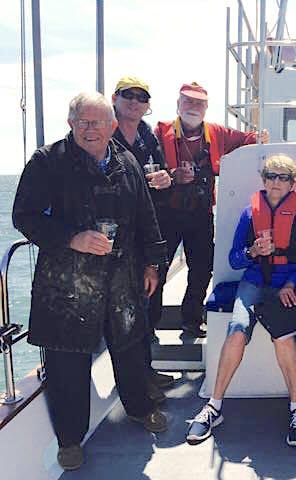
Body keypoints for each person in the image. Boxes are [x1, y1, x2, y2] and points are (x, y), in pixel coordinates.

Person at [12, 92, 168, 471]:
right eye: (82, 121)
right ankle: (70, 440)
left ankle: (138, 408)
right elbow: (24, 216)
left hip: (122, 279)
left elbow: (146, 216)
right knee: (67, 364)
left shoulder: (127, 161)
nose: (89, 129)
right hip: (67, 285)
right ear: (70, 123)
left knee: (130, 347)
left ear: (112, 125)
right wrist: (72, 237)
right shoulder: (48, 163)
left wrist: (153, 264)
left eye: (97, 122)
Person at [186, 154, 296, 447]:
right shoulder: (250, 214)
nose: (276, 182)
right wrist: (253, 252)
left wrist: (293, 283)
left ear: (292, 183)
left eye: (283, 177)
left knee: (283, 337)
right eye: (271, 176)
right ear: (263, 180)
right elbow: (234, 259)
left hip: (286, 285)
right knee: (236, 330)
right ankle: (214, 406)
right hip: (254, 281)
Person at [155, 82, 270, 338]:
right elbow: (147, 167)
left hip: (201, 214)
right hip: (166, 214)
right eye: (188, 101)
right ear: (178, 104)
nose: (193, 107)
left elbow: (249, 139)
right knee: (158, 269)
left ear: (206, 108)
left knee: (201, 268)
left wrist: (261, 138)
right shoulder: (159, 132)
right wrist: (174, 176)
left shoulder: (216, 133)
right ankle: (149, 323)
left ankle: (192, 321)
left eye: (199, 103)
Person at [111, 76, 174, 403]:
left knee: (148, 305)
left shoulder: (149, 136)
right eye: (128, 95)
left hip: (146, 235)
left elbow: (161, 170)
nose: (135, 102)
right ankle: (136, 384)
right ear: (115, 98)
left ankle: (145, 373)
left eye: (142, 97)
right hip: (115, 242)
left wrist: (165, 177)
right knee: (125, 317)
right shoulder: (103, 132)